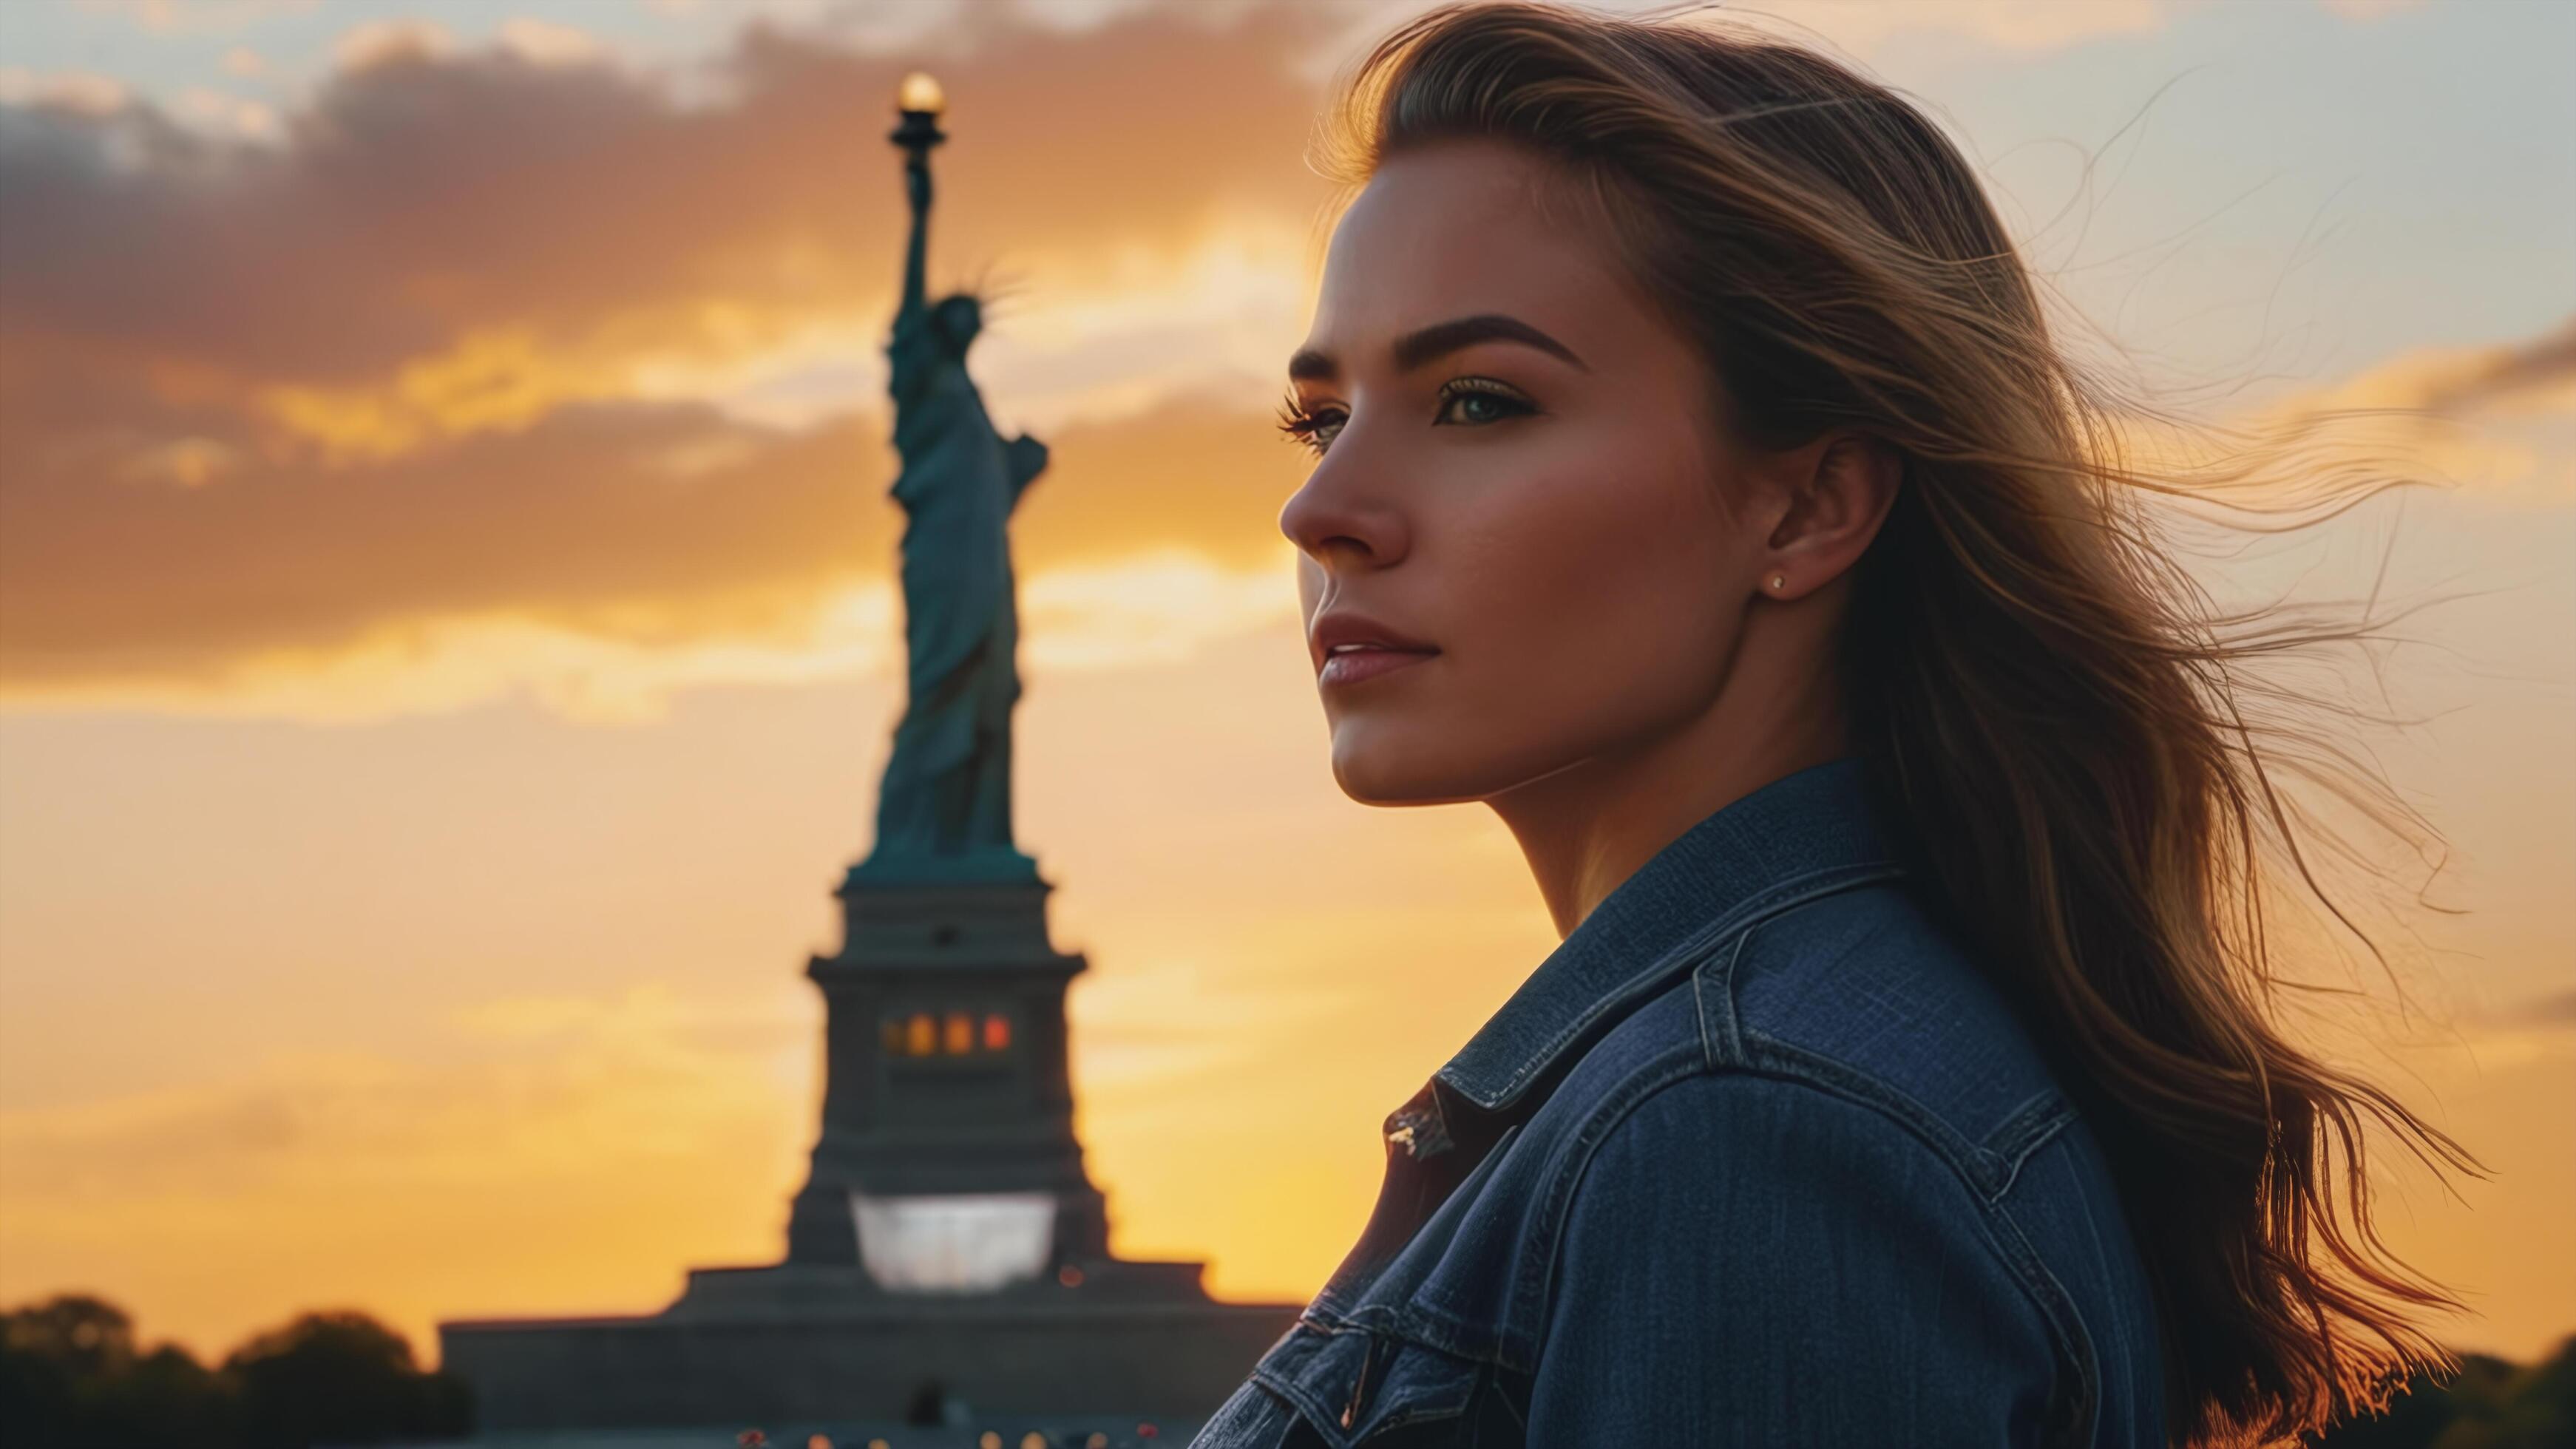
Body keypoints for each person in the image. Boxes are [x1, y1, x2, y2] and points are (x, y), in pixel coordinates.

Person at [1187, 3, 2475, 1446]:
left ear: (1805, 503)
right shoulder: (1751, 1082)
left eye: (1477, 401)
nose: (1319, 512)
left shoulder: (1740, 1131)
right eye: (1319, 416)